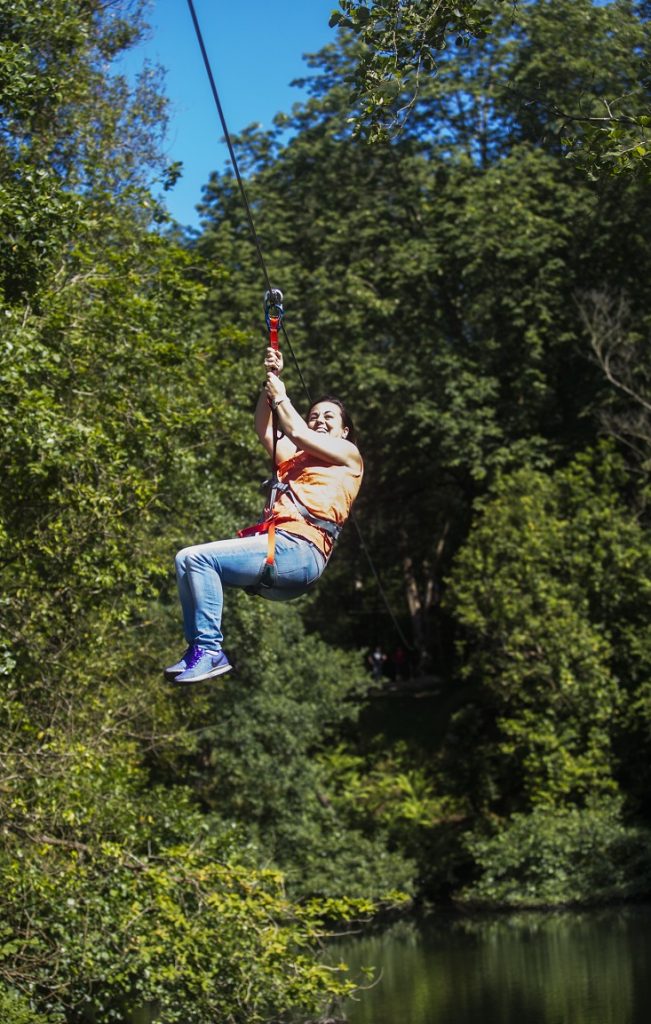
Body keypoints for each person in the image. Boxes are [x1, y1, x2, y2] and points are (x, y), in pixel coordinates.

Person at [165, 345, 363, 685]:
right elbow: (263, 426)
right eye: (315, 415)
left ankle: (211, 649)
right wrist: (271, 381)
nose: (320, 420)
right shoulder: (297, 460)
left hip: (300, 550)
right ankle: (199, 648)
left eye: (330, 417)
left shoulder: (348, 455)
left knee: (198, 560)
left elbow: (297, 430)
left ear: (344, 431)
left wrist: (283, 397)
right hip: (282, 553)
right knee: (186, 561)